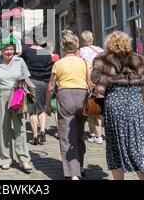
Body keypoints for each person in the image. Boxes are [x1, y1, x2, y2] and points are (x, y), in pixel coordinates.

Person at [91, 31, 144, 180]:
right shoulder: (139, 59)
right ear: (128, 42)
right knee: (141, 144)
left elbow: (100, 88)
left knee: (115, 146)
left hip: (115, 104)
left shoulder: (103, 60)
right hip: (135, 104)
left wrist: (95, 90)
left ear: (109, 44)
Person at [45, 30, 89, 180]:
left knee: (65, 136)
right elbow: (90, 83)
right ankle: (80, 165)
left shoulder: (58, 63)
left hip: (65, 97)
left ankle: (73, 173)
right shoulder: (83, 62)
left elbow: (51, 87)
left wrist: (47, 105)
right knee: (79, 134)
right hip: (82, 96)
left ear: (63, 47)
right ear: (76, 46)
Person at [0, 37, 33, 172]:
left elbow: (27, 80)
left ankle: (23, 159)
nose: (9, 52)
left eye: (11, 49)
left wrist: (31, 97)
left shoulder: (20, 62)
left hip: (17, 96)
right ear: (1, 50)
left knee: (20, 127)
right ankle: (4, 158)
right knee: (3, 128)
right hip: (0, 96)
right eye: (6, 49)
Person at [21, 37, 53, 145]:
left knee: (32, 110)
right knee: (42, 108)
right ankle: (43, 130)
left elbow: (22, 66)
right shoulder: (47, 53)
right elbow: (50, 70)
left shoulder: (26, 52)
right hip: (44, 83)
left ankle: (35, 135)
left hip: (31, 82)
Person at [79, 30, 104, 145]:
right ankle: (96, 133)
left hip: (88, 82)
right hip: (101, 82)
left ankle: (94, 134)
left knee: (91, 108)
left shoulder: (81, 51)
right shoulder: (100, 50)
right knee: (98, 108)